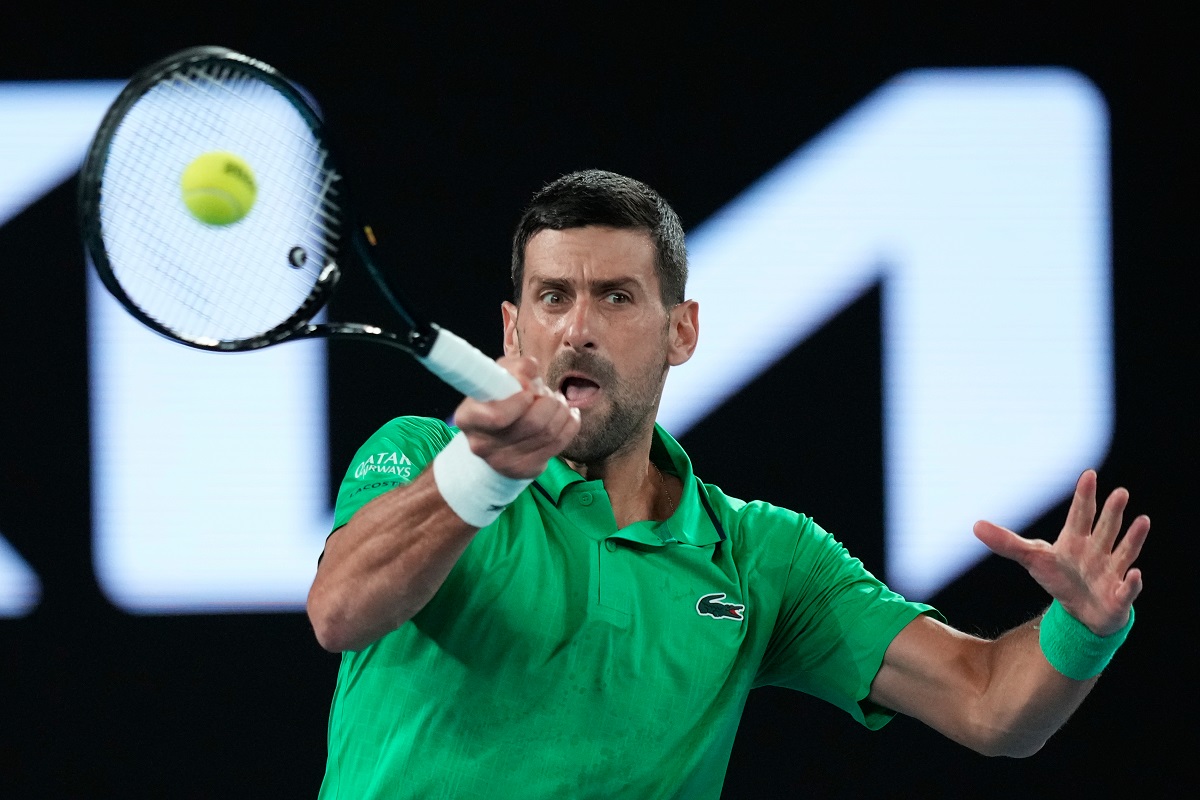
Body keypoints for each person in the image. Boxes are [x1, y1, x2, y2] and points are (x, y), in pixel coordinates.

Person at [307, 169, 1148, 799]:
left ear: (682, 331)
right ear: (512, 328)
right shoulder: (425, 456)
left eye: (616, 297)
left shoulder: (762, 557)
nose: (577, 329)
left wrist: (1080, 629)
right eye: (552, 297)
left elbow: (990, 706)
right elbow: (341, 611)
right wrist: (481, 473)